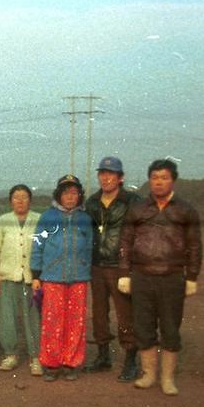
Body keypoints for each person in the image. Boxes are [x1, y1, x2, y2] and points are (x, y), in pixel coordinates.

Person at [118, 159, 202, 396]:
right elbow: (125, 242)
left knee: (170, 329)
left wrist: (192, 276)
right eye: (154, 177)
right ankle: (149, 375)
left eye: (164, 177)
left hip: (172, 278)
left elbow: (195, 246)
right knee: (143, 329)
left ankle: (167, 379)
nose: (159, 182)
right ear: (149, 180)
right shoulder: (138, 209)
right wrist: (125, 273)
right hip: (142, 278)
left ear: (172, 180)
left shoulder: (185, 210)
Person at [83, 156, 142, 381]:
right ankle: (103, 357)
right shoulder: (92, 202)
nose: (106, 177)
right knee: (99, 314)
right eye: (102, 173)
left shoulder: (132, 201)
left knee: (125, 315)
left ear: (121, 178)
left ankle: (130, 361)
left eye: (111, 174)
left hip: (121, 267)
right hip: (96, 266)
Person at [31, 174, 93, 382]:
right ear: (59, 195)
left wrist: (86, 267)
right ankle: (51, 363)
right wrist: (36, 274)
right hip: (52, 276)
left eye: (74, 192)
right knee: (52, 322)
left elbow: (91, 246)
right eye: (66, 192)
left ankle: (71, 362)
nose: (70, 197)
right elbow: (38, 244)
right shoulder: (48, 217)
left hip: (79, 277)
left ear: (79, 195)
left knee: (76, 322)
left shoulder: (85, 219)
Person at [0, 184, 42, 376]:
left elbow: (42, 247)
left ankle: (35, 356)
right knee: (7, 317)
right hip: (8, 275)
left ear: (30, 200)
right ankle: (10, 354)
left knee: (33, 317)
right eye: (16, 197)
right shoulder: (3, 220)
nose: (20, 200)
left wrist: (40, 276)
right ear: (11, 200)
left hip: (31, 278)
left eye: (24, 197)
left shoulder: (38, 219)